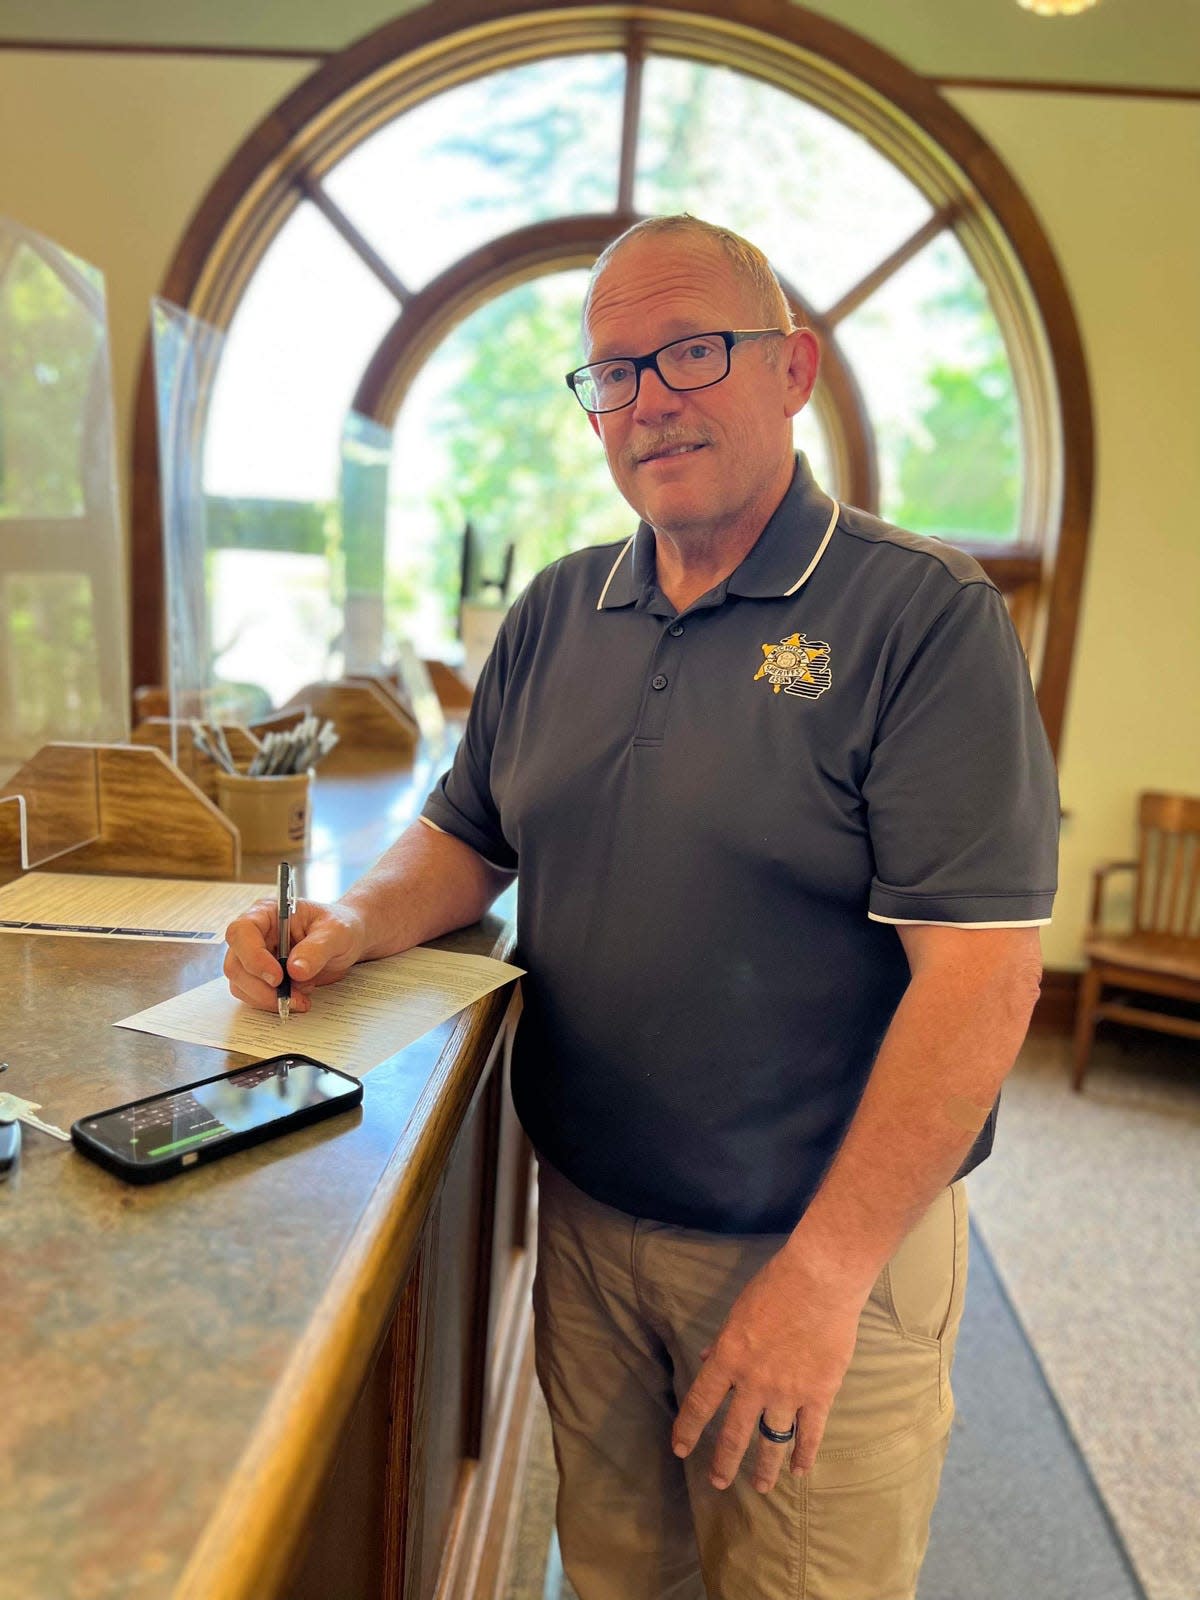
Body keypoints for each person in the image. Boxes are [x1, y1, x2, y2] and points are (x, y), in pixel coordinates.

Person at [224, 215, 1059, 1600]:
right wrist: (352, 924)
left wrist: (822, 1277)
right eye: (613, 373)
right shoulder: (559, 611)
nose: (649, 398)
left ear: (790, 371)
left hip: (813, 1241)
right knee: (615, 1571)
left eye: (691, 352)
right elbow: (464, 832)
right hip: (591, 1222)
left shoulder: (924, 619)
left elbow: (983, 982)